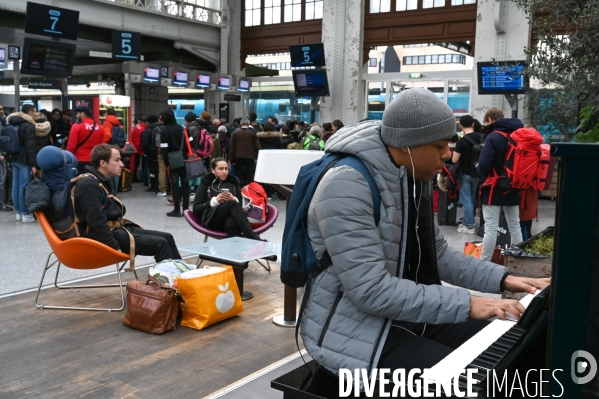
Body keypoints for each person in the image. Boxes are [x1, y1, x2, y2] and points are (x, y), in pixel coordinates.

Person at [299, 89, 550, 398]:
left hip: (403, 312)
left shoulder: (411, 175)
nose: (447, 154)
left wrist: (506, 279)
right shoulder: (346, 184)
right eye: (439, 145)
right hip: (353, 331)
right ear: (407, 144)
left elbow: (439, 255)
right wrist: (469, 303)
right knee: (475, 384)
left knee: (511, 343)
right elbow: (371, 291)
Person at [74, 144, 182, 262]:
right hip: (103, 237)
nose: (122, 164)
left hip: (116, 228)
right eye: (117, 160)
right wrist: (115, 247)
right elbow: (96, 223)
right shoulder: (89, 185)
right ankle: (168, 278)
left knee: (167, 237)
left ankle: (183, 276)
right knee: (160, 243)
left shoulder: (101, 180)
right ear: (103, 163)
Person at [477, 110, 524, 261]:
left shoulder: (493, 137)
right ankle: (518, 261)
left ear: (490, 119)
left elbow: (484, 166)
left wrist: (477, 168)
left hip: (494, 188)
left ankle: (483, 263)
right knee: (515, 226)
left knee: (490, 228)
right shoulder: (517, 136)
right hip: (514, 186)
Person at [192, 157, 261, 240]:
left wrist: (234, 199)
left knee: (231, 222)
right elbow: (196, 209)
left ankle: (236, 251)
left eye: (226, 169)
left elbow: (242, 207)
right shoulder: (206, 182)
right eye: (220, 169)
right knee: (231, 204)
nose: (224, 172)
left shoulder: (234, 182)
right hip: (212, 219)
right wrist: (214, 201)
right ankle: (254, 238)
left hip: (230, 219)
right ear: (213, 170)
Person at [452, 115, 485, 234]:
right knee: (471, 199)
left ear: (460, 125)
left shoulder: (462, 141)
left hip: (465, 174)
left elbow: (455, 160)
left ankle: (470, 226)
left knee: (466, 201)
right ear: (473, 124)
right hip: (478, 173)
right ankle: (466, 222)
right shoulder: (482, 137)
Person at [6, 104, 38, 222]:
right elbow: (30, 147)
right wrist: (33, 164)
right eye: (35, 112)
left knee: (16, 186)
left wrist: (9, 160)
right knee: (24, 187)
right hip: (24, 159)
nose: (36, 114)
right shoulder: (28, 126)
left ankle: (18, 213)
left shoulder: (12, 123)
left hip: (14, 158)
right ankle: (25, 214)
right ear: (29, 113)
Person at [160, 109, 189, 217]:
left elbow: (164, 148)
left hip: (172, 161)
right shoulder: (181, 128)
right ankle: (186, 209)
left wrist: (167, 162)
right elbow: (188, 142)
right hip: (184, 159)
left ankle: (176, 209)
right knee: (185, 184)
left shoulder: (164, 131)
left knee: (174, 185)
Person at [66, 106, 105, 174]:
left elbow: (71, 147)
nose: (76, 116)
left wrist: (66, 158)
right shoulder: (100, 128)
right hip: (94, 161)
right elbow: (102, 147)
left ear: (82, 114)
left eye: (78, 113)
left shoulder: (76, 126)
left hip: (79, 160)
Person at [228, 117, 260, 186]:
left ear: (240, 124)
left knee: (240, 174)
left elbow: (232, 147)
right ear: (249, 124)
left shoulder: (235, 133)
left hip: (238, 156)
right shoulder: (253, 133)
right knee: (249, 174)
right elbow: (257, 147)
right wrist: (257, 156)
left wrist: (231, 159)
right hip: (250, 156)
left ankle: (240, 189)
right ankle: (249, 189)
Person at [141, 115, 160, 193]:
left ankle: (152, 185)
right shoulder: (159, 128)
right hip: (158, 151)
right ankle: (157, 184)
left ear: (148, 122)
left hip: (150, 152)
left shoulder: (148, 130)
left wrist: (144, 150)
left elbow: (145, 143)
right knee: (158, 169)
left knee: (151, 170)